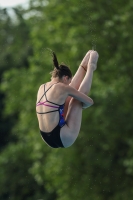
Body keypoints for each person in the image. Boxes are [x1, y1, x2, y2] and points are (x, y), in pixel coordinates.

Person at [36, 50, 99, 148]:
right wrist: (90, 67)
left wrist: (84, 63)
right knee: (76, 100)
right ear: (65, 78)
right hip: (63, 137)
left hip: (46, 138)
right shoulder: (63, 87)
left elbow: (68, 92)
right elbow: (89, 102)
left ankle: (84, 66)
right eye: (69, 82)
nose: (70, 84)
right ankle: (91, 68)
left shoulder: (42, 87)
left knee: (69, 97)